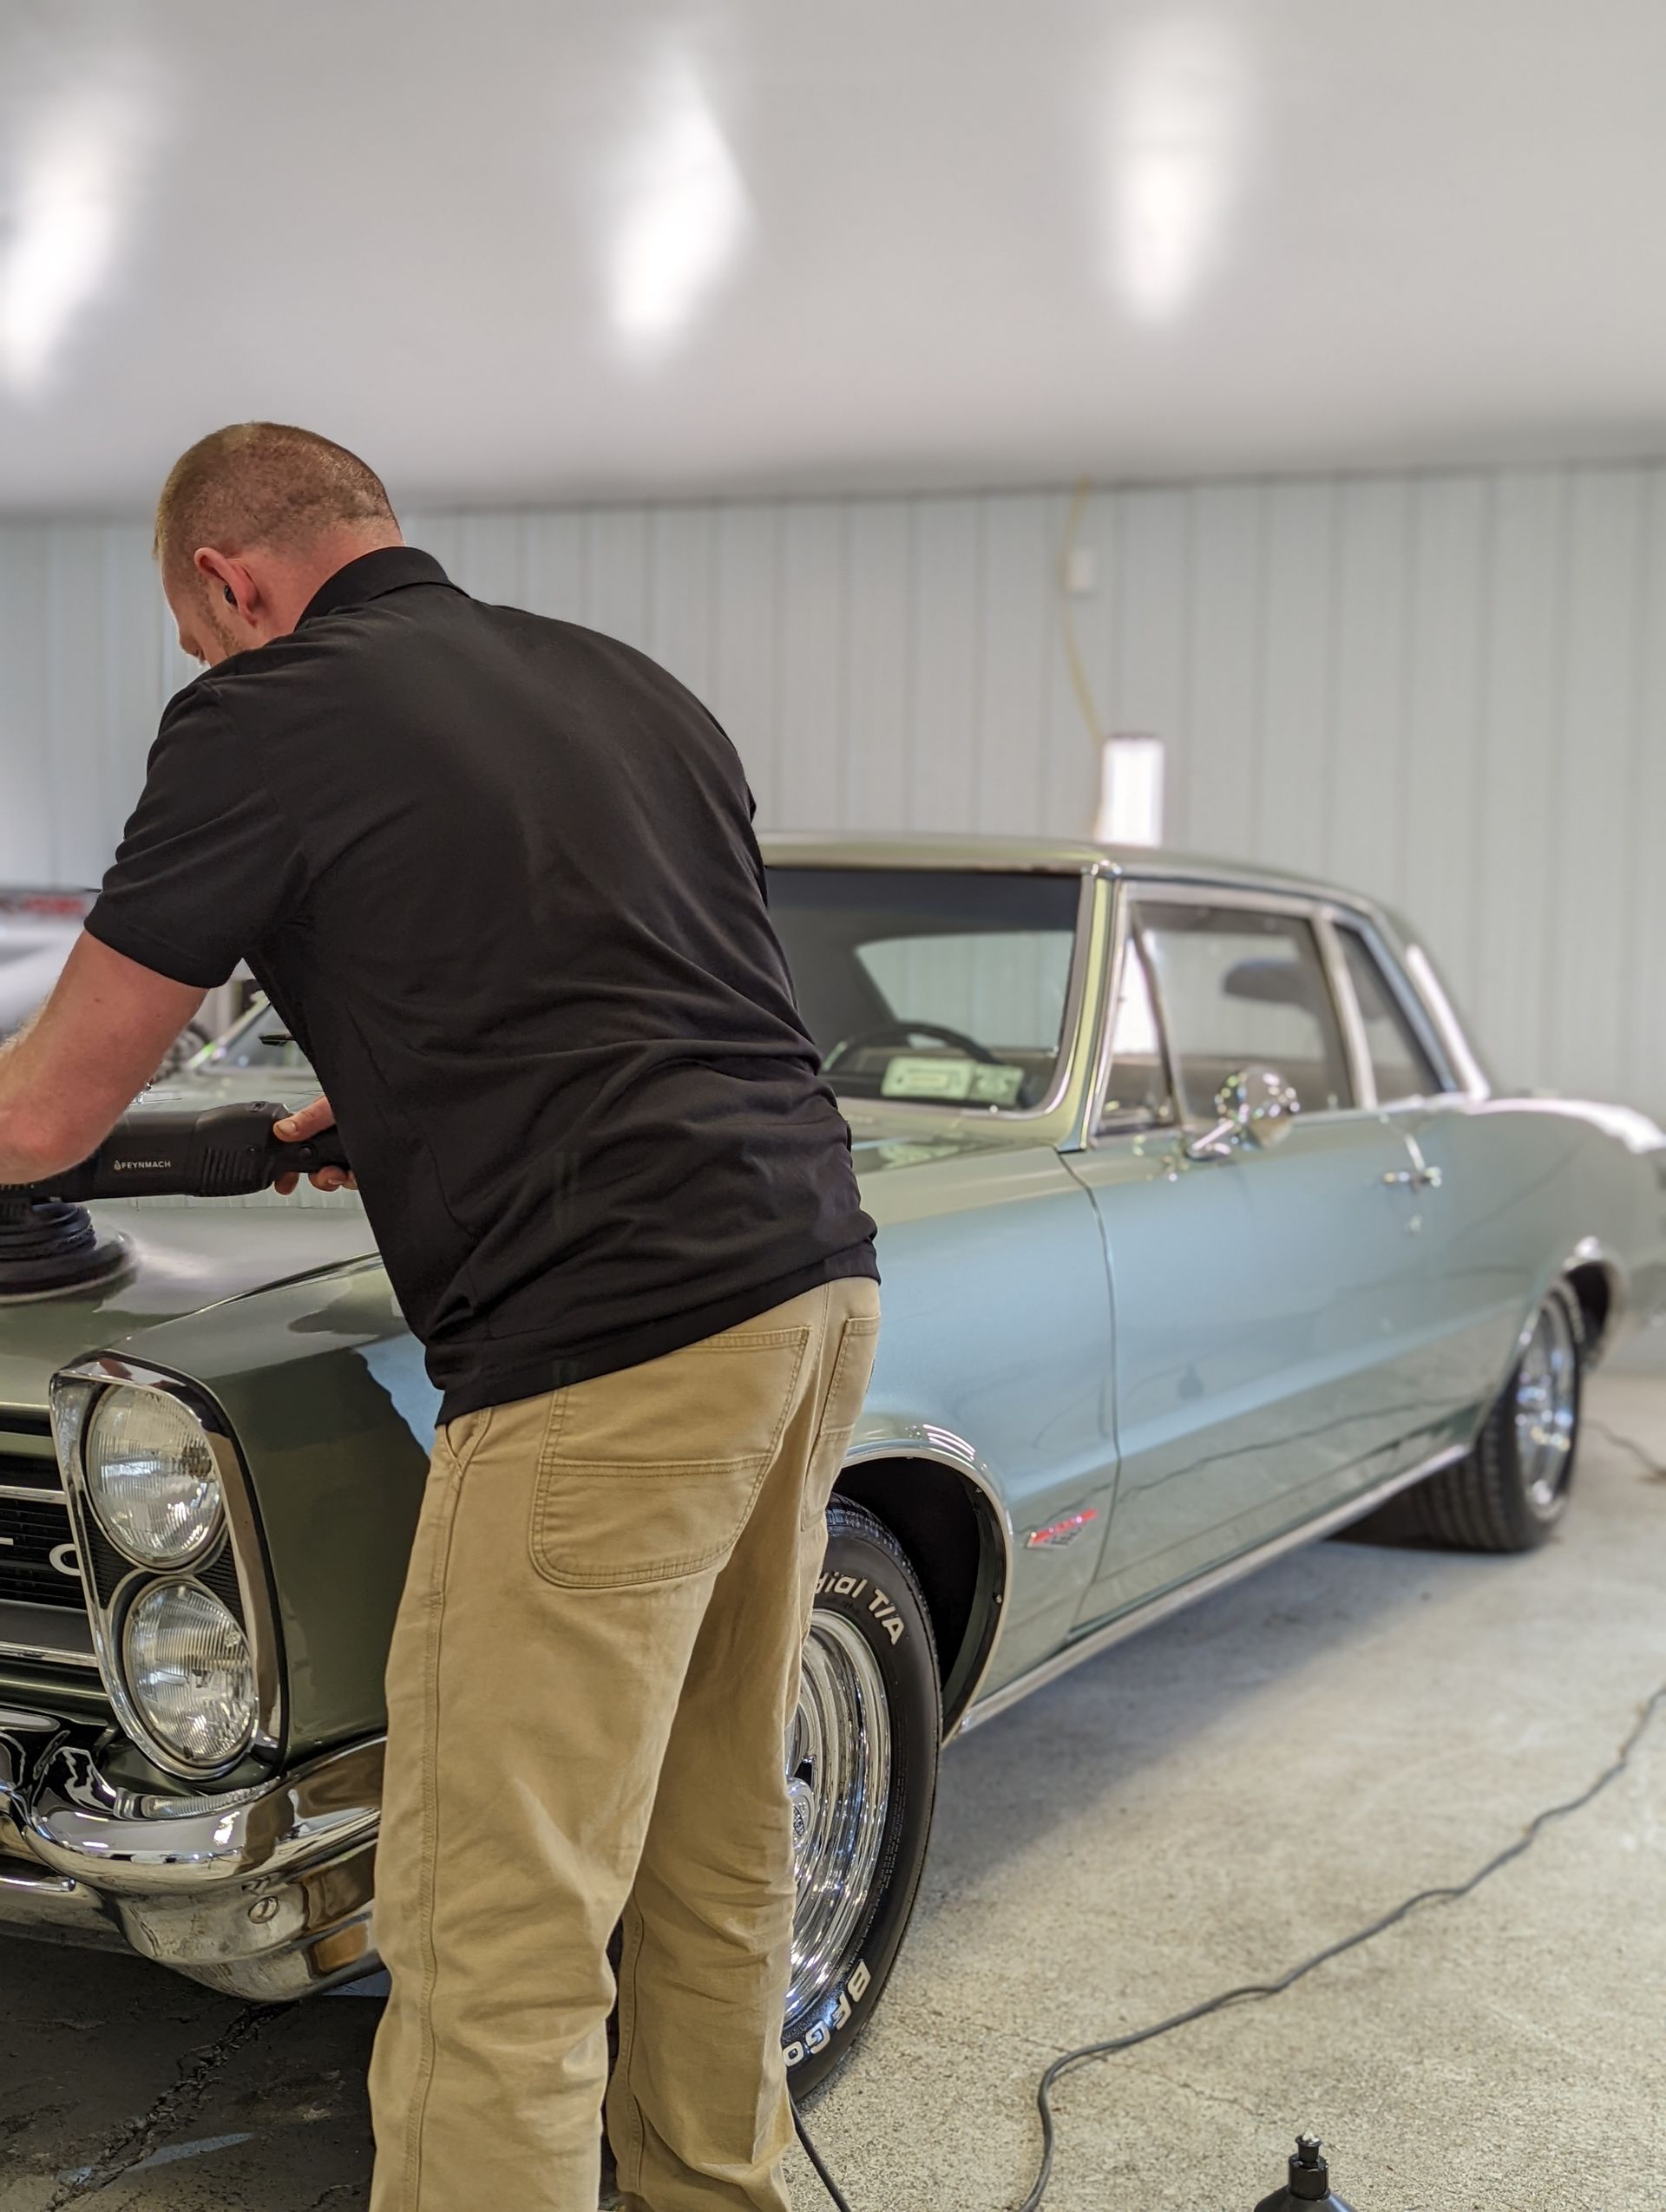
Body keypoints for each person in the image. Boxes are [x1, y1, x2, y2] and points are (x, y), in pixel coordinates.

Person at [0, 422, 881, 2212]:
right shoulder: (626, 686)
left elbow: (39, 1118)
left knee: (496, 1915)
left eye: (201, 637)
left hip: (602, 1342)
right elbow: (622, 991)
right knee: (721, 1830)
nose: (210, 666)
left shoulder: (270, 708)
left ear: (224, 583)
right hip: (804, 1286)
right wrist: (352, 1114)